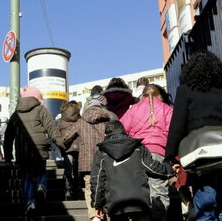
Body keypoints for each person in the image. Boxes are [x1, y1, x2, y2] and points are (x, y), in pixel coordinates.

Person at [165, 51, 222, 221]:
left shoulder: (185, 91)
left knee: (205, 213)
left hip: (202, 162)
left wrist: (170, 157)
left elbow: (177, 126)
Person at [91, 121, 173, 221]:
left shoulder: (101, 153)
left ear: (105, 134)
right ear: (124, 131)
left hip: (115, 204)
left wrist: (97, 204)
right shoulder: (137, 147)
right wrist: (170, 169)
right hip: (140, 201)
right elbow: (152, 167)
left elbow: (98, 181)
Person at [4, 86, 65, 215]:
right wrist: (61, 144)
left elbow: (8, 137)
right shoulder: (41, 109)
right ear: (37, 98)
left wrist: (8, 157)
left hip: (22, 151)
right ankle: (41, 186)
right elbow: (51, 128)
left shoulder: (16, 114)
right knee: (41, 171)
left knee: (26, 177)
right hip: (39, 147)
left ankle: (30, 202)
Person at [119, 84, 174, 220]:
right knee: (159, 192)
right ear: (159, 95)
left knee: (140, 192)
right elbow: (174, 134)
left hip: (137, 154)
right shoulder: (167, 109)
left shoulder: (133, 110)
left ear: (142, 95)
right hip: (159, 153)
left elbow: (121, 129)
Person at [62, 97, 112, 219]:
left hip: (87, 161)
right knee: (105, 185)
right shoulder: (107, 121)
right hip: (104, 159)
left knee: (90, 187)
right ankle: (104, 212)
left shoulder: (81, 121)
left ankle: (94, 216)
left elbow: (66, 137)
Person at [58, 101, 82, 200]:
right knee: (77, 169)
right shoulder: (80, 119)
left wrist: (61, 146)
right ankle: (77, 189)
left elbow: (57, 135)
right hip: (79, 147)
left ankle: (67, 189)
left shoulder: (61, 120)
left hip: (66, 148)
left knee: (68, 169)